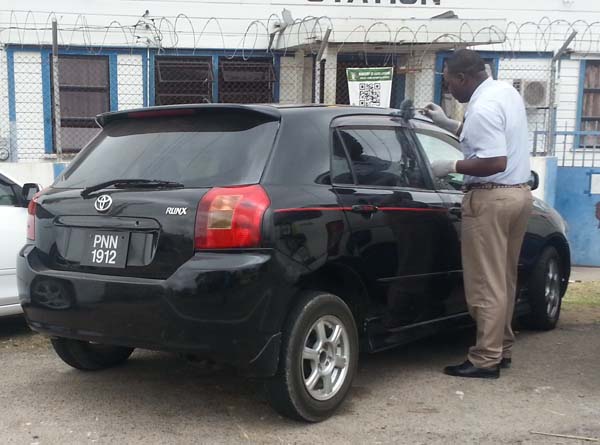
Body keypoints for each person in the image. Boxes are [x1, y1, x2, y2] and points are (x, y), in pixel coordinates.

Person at [424, 49, 533, 379]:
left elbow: (494, 160)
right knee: (503, 279)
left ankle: (485, 359)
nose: (449, 90)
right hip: (518, 196)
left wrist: (452, 165)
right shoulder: (504, 92)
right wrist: (448, 124)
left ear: (462, 78)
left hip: (490, 200)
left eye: (449, 83)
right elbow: (487, 136)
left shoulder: (482, 107)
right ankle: (502, 348)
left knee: (485, 284)